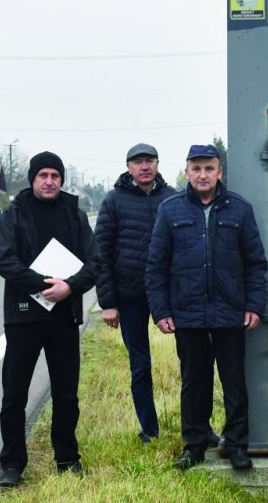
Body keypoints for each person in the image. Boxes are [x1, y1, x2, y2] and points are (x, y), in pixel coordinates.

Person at [146, 144, 267, 471]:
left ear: (219, 172)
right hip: (187, 313)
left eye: (209, 168)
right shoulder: (170, 210)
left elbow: (256, 263)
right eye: (196, 169)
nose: (203, 175)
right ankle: (195, 444)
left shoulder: (239, 209)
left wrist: (255, 304)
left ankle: (237, 444)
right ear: (186, 172)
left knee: (234, 382)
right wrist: (162, 310)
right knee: (194, 382)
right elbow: (156, 265)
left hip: (230, 312)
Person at [0, 152, 98, 486]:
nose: (49, 181)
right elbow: (4, 262)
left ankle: (67, 458)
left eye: (55, 175)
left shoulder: (76, 216)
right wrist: (43, 285)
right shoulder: (14, 214)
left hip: (64, 317)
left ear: (62, 179)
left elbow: (95, 262)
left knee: (67, 394)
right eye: (43, 175)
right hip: (23, 318)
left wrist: (70, 287)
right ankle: (12, 464)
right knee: (14, 395)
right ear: (32, 179)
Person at [93, 143, 175, 444]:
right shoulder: (114, 201)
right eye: (138, 162)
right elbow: (100, 252)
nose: (144, 166)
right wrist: (108, 302)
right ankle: (149, 429)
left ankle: (198, 426)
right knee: (140, 364)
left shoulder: (173, 197)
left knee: (193, 358)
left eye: (150, 161)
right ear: (128, 167)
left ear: (157, 164)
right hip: (130, 296)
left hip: (170, 293)